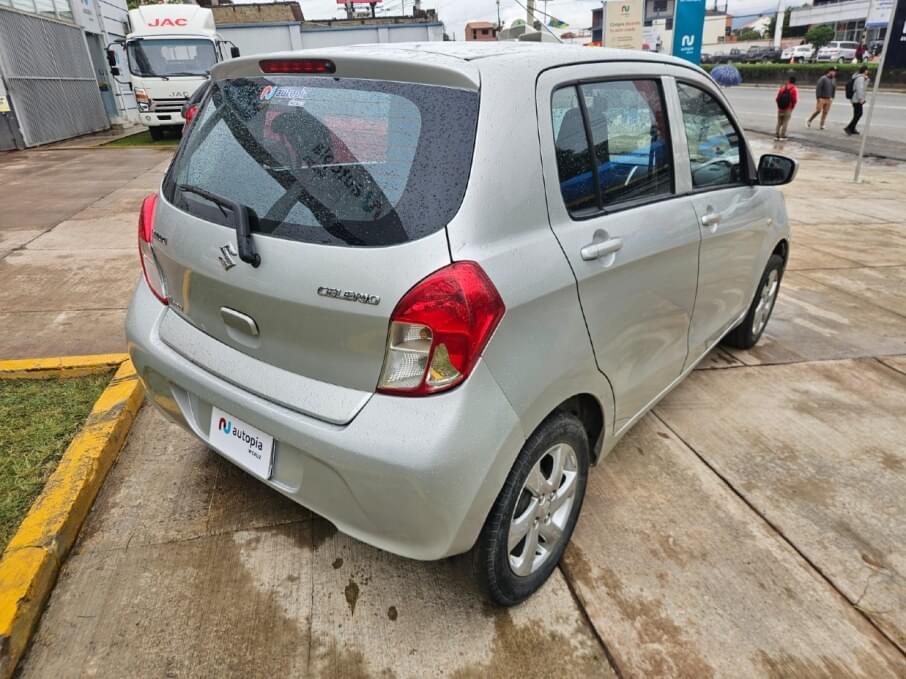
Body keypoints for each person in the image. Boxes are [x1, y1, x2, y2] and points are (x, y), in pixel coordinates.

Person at [844, 65, 870, 136]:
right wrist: (861, 99)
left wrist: (866, 79)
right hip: (856, 99)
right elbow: (860, 89)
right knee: (859, 114)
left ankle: (852, 128)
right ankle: (849, 128)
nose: (868, 72)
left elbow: (864, 87)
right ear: (864, 71)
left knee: (857, 114)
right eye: (867, 70)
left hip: (856, 98)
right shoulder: (860, 78)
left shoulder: (859, 77)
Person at [774, 75, 798, 141]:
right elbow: (794, 100)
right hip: (788, 108)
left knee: (779, 122)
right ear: (795, 82)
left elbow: (777, 98)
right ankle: (782, 135)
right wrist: (792, 107)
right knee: (785, 122)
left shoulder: (783, 87)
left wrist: (779, 106)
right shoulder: (794, 89)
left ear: (789, 80)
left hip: (780, 108)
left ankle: (776, 135)